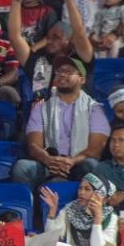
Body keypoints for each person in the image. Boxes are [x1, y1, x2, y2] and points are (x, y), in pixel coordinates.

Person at [12, 56, 108, 190]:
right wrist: (49, 160)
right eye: (59, 71)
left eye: (69, 71)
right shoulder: (41, 108)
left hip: (78, 164)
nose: (62, 74)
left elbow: (96, 149)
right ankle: (31, 209)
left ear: (82, 79)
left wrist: (71, 161)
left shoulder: (95, 110)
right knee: (22, 167)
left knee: (92, 165)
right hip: (48, 164)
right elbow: (34, 145)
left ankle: (89, 209)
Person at [38, 173, 119, 246]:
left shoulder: (111, 217)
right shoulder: (70, 209)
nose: (81, 192)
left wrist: (97, 218)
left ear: (100, 194)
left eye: (87, 189)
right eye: (80, 188)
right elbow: (51, 237)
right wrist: (53, 210)